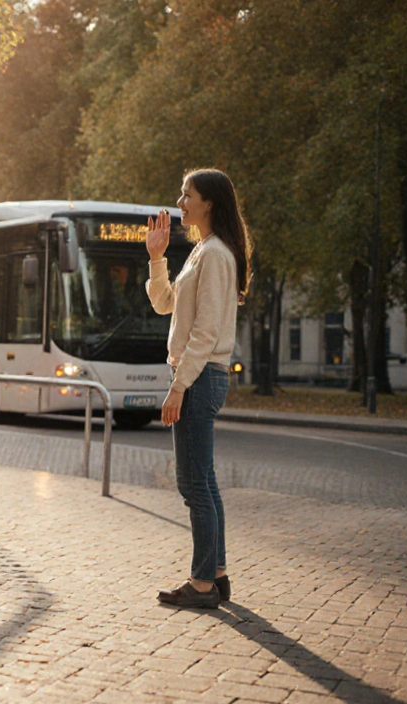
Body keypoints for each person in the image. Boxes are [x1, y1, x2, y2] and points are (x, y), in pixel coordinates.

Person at [144, 168, 253, 609]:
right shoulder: (200, 252)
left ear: (209, 202)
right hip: (199, 376)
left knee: (192, 485)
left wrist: (178, 387)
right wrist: (156, 257)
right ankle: (218, 575)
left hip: (200, 376)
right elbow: (164, 303)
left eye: (187, 195)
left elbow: (205, 334)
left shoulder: (217, 256)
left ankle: (202, 584)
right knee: (204, 481)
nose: (180, 201)